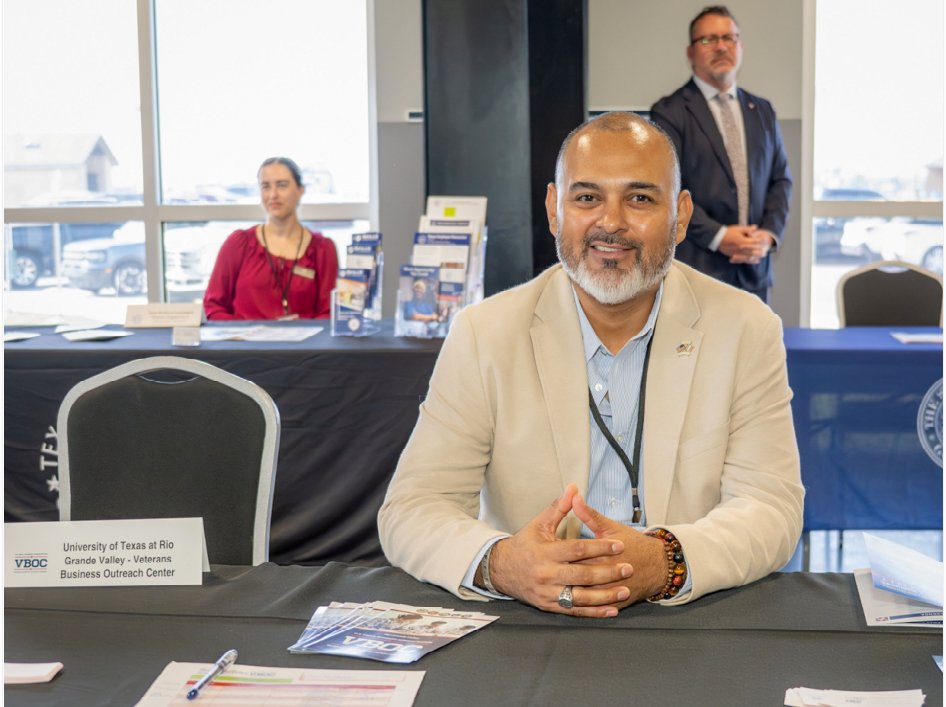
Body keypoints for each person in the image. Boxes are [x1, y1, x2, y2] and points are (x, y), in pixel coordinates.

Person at [378, 111, 803, 617]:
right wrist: (500, 563)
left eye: (640, 198)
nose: (611, 222)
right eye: (587, 197)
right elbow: (412, 508)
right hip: (532, 622)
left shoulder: (746, 328)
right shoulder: (483, 334)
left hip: (691, 618)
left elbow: (771, 507)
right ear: (555, 209)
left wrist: (668, 559)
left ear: (682, 215)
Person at [650, 5, 792, 302]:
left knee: (754, 349)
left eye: (729, 38)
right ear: (690, 52)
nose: (721, 46)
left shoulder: (762, 110)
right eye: (709, 40)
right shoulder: (669, 112)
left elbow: (781, 180)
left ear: (740, 47)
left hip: (755, 269)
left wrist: (767, 235)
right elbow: (667, 189)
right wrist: (719, 236)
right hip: (697, 269)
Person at [203, 157, 339, 320]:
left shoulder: (322, 249)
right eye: (265, 187)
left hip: (303, 345)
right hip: (246, 344)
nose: (273, 195)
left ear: (300, 190)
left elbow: (329, 312)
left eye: (282, 185)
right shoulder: (238, 244)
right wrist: (245, 335)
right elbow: (214, 306)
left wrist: (303, 331)